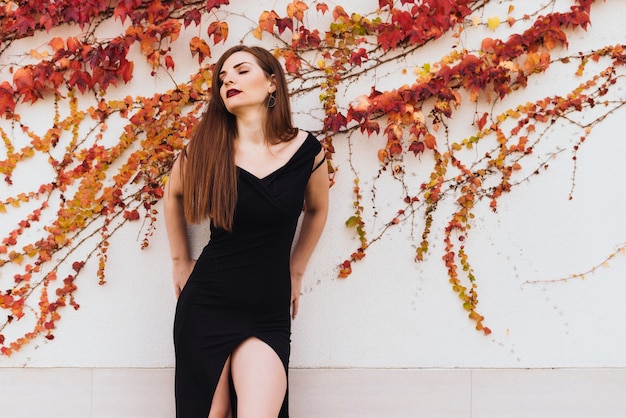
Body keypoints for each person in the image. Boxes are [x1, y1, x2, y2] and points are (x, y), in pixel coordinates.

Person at [163, 44, 329, 418]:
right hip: (207, 304)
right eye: (222, 78)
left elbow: (317, 210)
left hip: (267, 310)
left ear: (272, 83)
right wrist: (179, 259)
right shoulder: (206, 150)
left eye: (240, 70)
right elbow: (171, 195)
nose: (229, 81)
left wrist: (297, 270)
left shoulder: (307, 152)